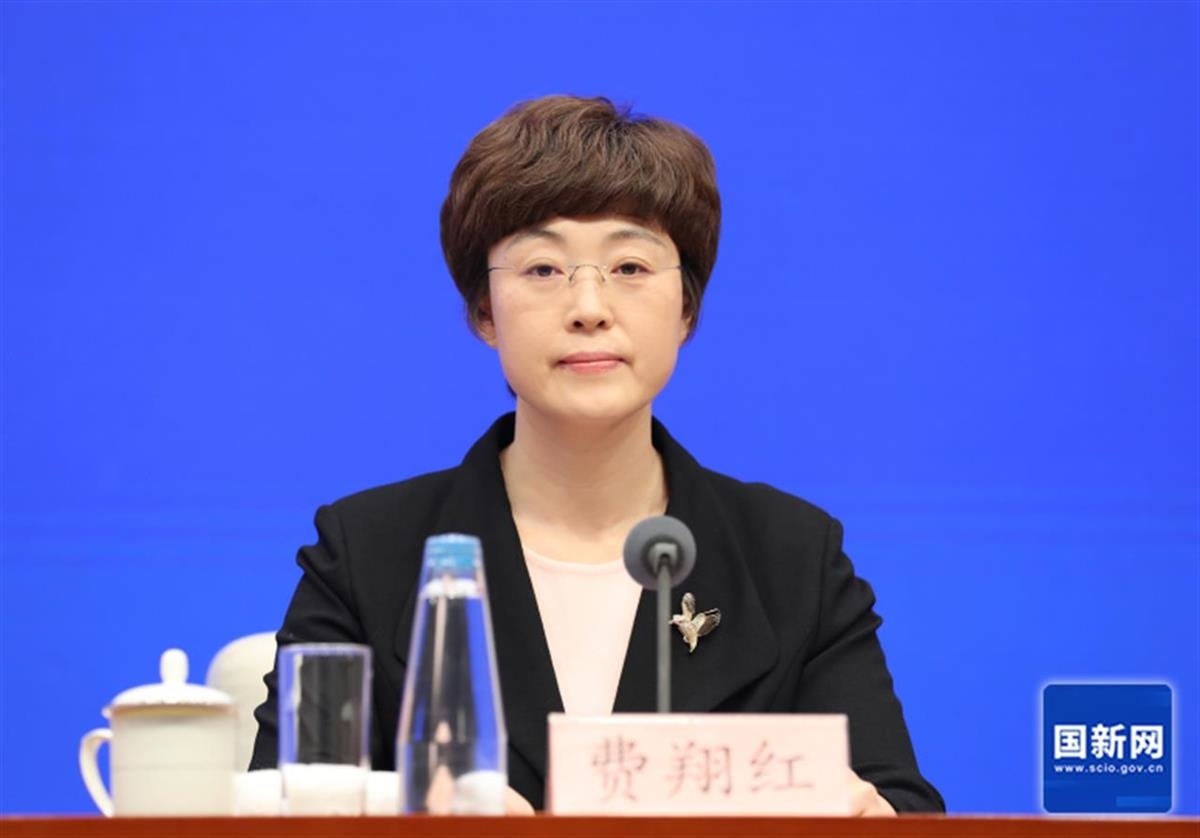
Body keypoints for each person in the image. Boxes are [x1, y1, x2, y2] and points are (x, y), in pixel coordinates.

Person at [250, 94, 944, 815]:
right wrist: (417, 805)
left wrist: (868, 814)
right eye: (543, 270)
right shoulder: (369, 555)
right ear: (485, 311)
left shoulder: (791, 557)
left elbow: (901, 804)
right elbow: (277, 806)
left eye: (630, 267)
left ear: (686, 309)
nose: (589, 307)